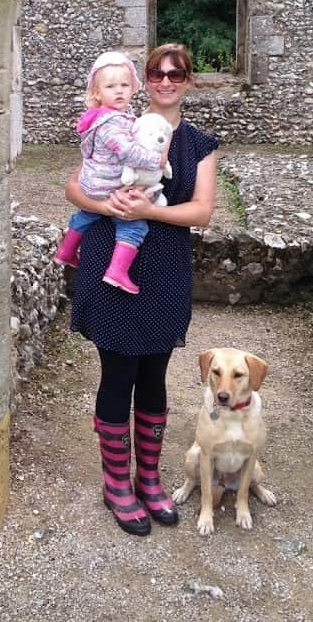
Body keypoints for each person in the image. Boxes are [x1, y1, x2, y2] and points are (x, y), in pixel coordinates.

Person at [67, 43, 219, 536]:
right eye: (157, 72)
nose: (166, 81)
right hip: (112, 257)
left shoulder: (199, 144)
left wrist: (149, 212)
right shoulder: (114, 123)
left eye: (176, 73)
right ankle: (117, 484)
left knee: (154, 374)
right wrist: (110, 207)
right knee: (117, 373)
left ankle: (148, 479)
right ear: (142, 80)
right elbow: (74, 186)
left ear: (188, 81)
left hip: (165, 268)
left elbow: (201, 212)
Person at [54, 51, 169, 295]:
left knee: (85, 215)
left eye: (124, 85)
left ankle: (65, 252)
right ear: (97, 93)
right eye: (111, 86)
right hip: (108, 186)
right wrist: (155, 161)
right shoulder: (113, 122)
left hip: (92, 183)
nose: (119, 91)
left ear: (133, 88)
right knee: (134, 226)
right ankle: (117, 271)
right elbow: (127, 152)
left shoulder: (100, 118)